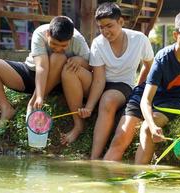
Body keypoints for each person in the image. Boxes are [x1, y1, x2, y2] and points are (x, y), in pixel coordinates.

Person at [104, 9, 180, 164]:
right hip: (143, 96)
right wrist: (150, 121)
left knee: (146, 129)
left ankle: (139, 181)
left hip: (170, 101)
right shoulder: (162, 58)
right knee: (120, 138)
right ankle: (103, 182)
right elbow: (146, 101)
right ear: (176, 35)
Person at [61, 2, 154, 159]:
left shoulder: (139, 39)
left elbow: (149, 66)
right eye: (101, 27)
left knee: (108, 99)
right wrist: (89, 107)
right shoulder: (98, 43)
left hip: (122, 86)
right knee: (69, 71)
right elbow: (98, 79)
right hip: (100, 82)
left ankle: (94, 159)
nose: (105, 31)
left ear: (121, 22)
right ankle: (78, 124)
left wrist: (139, 87)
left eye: (109, 26)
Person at [0, 16, 90, 126]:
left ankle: (33, 103)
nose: (58, 48)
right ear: (48, 34)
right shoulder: (40, 33)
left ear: (71, 39)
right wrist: (39, 96)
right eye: (54, 44)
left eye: (63, 45)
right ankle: (6, 109)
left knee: (58, 57)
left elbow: (91, 66)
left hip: (59, 81)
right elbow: (42, 66)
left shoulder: (78, 39)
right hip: (33, 74)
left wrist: (79, 60)